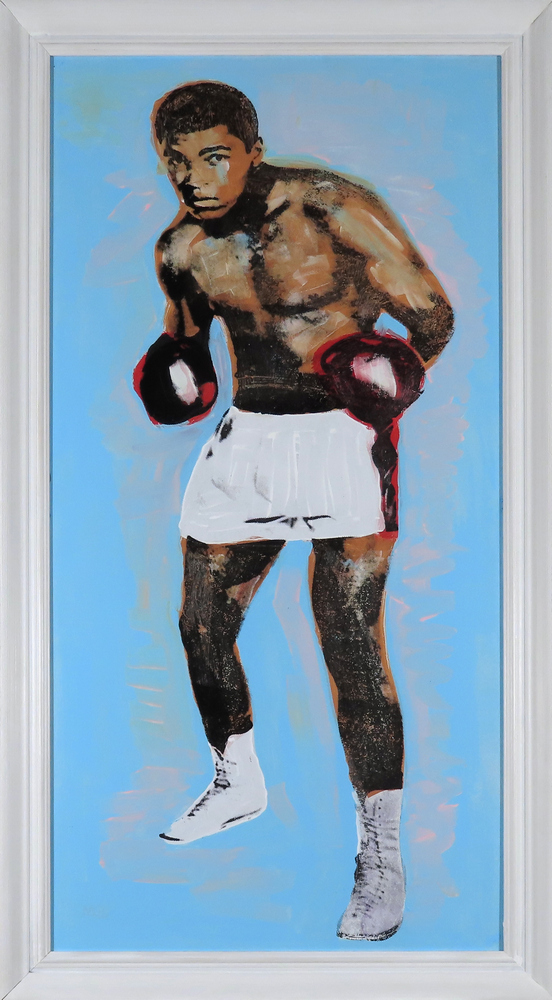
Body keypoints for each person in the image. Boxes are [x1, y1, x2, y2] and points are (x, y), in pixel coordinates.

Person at [134, 80, 454, 941]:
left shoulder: (331, 206)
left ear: (252, 148)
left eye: (213, 156)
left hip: (343, 436)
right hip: (251, 439)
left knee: (350, 643)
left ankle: (380, 854)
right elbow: (187, 346)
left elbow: (431, 314)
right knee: (202, 623)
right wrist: (174, 369)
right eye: (176, 161)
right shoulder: (181, 249)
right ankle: (237, 778)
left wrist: (386, 375)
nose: (195, 178)